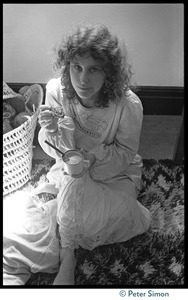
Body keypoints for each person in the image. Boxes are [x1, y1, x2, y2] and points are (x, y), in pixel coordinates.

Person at [35, 23, 151, 285]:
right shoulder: (56, 91)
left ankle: (67, 237)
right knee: (67, 200)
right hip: (69, 167)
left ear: (108, 73)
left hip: (112, 172)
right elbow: (58, 152)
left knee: (117, 213)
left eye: (93, 69)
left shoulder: (127, 104)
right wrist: (53, 132)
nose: (83, 80)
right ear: (67, 67)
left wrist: (93, 160)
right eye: (76, 67)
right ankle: (68, 254)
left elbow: (125, 151)